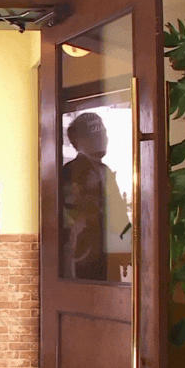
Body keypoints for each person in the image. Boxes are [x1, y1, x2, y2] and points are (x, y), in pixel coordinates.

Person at [61, 112, 129, 281]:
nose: (104, 138)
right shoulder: (70, 171)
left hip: (107, 254)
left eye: (103, 132)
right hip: (86, 256)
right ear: (80, 140)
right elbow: (70, 214)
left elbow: (119, 213)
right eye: (98, 133)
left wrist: (126, 246)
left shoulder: (104, 171)